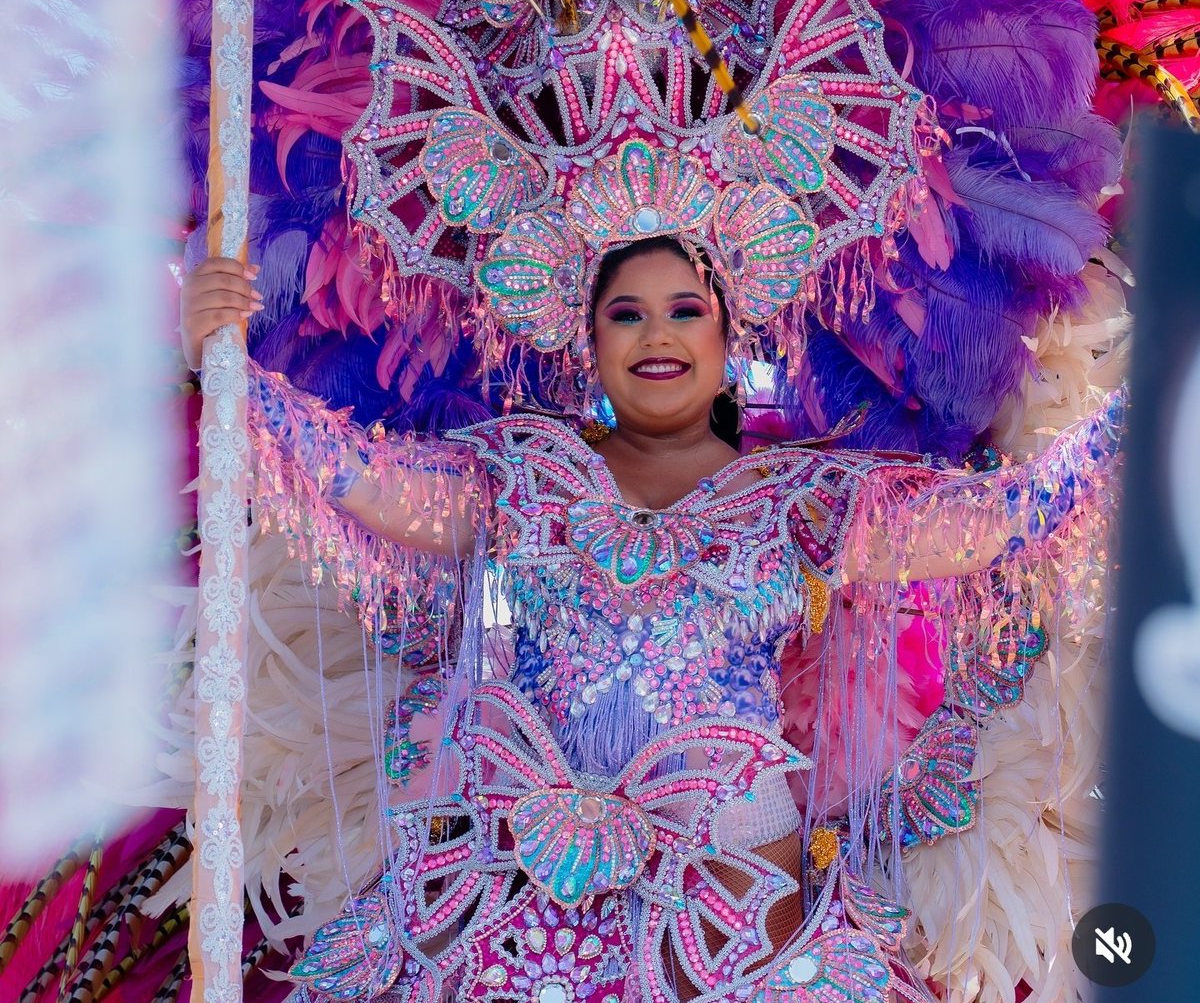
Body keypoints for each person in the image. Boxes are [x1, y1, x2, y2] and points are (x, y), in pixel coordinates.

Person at [181, 226, 1121, 1003]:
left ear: (728, 337)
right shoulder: (516, 477)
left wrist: (1136, 411)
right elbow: (361, 478)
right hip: (522, 909)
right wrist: (225, 368)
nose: (655, 334)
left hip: (738, 905)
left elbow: (1000, 520)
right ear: (588, 340)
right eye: (626, 313)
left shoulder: (807, 501)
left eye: (685, 310)